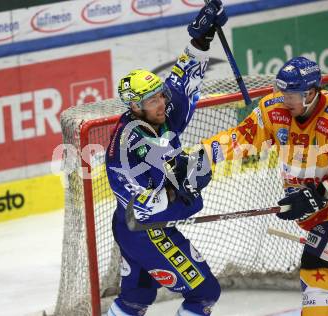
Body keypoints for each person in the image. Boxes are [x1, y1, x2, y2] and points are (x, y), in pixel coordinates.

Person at [203, 57, 328, 315]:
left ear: (310, 93)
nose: (285, 100)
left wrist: (314, 196)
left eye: (292, 95)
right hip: (317, 211)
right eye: (282, 92)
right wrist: (201, 157)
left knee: (314, 275)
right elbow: (241, 137)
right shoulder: (274, 109)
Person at [105, 1, 227, 315]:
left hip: (134, 229)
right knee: (205, 293)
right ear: (134, 107)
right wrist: (183, 194)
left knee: (136, 298)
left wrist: (202, 40)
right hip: (144, 231)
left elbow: (183, 79)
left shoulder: (161, 113)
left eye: (159, 95)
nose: (161, 103)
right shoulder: (124, 150)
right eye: (151, 100)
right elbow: (142, 208)